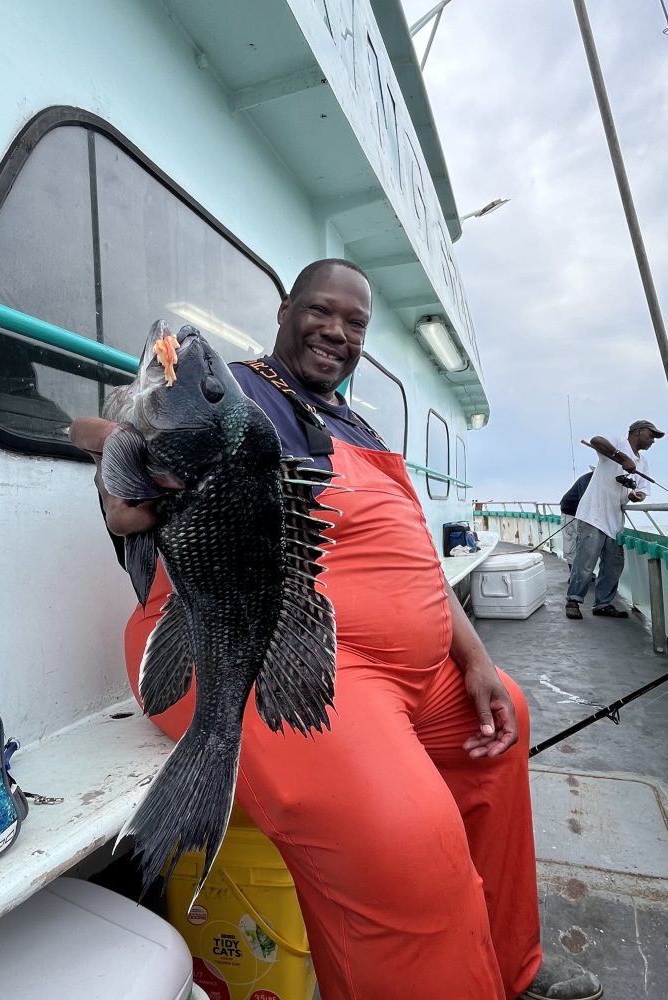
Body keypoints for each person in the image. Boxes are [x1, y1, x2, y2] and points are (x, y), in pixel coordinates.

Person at [71, 260, 602, 1000]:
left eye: (356, 324)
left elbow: (413, 558)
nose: (338, 332)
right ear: (286, 308)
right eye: (323, 312)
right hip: (268, 651)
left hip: (408, 673)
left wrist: (475, 658)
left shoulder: (361, 424)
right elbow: (121, 466)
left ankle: (509, 966)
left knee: (503, 714)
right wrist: (128, 475)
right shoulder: (235, 392)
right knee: (406, 839)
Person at [565, 421, 663, 621]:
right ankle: (573, 600)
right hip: (593, 514)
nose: (653, 440)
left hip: (614, 520)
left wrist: (637, 496)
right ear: (638, 432)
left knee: (613, 565)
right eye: (651, 435)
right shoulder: (618, 442)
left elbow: (642, 491)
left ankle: (603, 603)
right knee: (585, 561)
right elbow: (596, 441)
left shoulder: (643, 463)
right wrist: (622, 457)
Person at [559, 471, 593, 568]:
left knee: (584, 545)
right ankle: (574, 575)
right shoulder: (588, 480)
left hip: (583, 514)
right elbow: (586, 501)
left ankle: (583, 572)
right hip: (570, 512)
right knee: (571, 544)